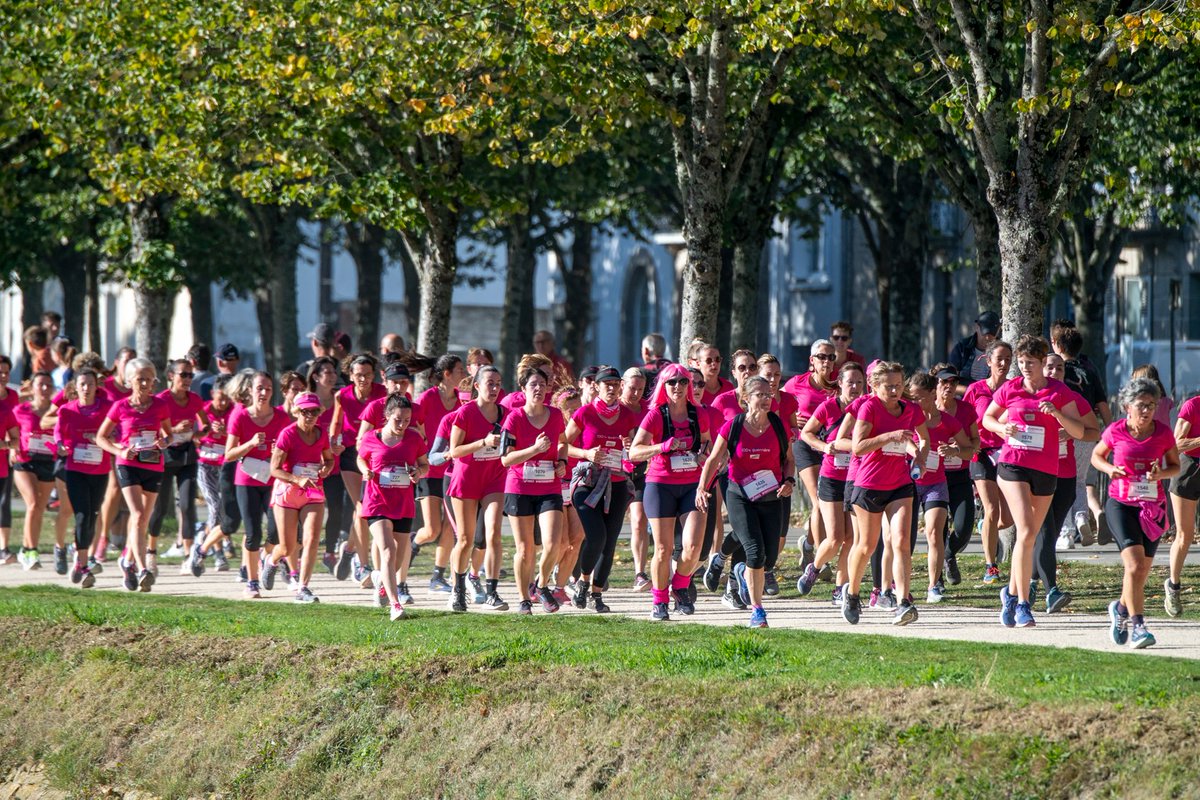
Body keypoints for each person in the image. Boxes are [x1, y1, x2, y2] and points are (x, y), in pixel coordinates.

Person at [982, 335, 1086, 629]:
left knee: (1028, 537)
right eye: (1022, 362)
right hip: (1013, 465)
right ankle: (1024, 605)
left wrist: (1057, 414)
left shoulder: (1059, 391)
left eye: (1031, 363)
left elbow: (1079, 431)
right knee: (1027, 530)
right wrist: (1003, 428)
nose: (1025, 367)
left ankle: (1011, 594)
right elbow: (988, 419)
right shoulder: (1010, 389)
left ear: (1043, 362)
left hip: (1045, 469)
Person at [697, 375, 795, 628]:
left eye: (768, 394)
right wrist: (701, 489)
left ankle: (735, 567)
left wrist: (789, 480)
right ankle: (758, 610)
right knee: (754, 551)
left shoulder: (778, 425)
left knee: (769, 559)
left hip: (771, 495)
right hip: (739, 493)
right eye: (759, 394)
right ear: (746, 399)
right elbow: (712, 460)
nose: (765, 399)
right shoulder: (733, 426)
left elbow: (789, 459)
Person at [1092, 377, 1179, 649]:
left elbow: (1175, 466)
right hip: (1121, 504)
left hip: (1152, 506)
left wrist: (1160, 474)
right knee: (1134, 565)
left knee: (1140, 572)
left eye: (1151, 405)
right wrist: (1110, 470)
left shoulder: (1163, 433)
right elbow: (1097, 456)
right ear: (1127, 406)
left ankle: (1119, 609)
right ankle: (1139, 626)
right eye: (1141, 405)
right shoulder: (1116, 431)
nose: (1146, 411)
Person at [843, 361, 929, 626]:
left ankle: (903, 602)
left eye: (899, 385)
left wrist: (920, 457)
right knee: (867, 545)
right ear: (875, 386)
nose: (894, 391)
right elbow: (858, 447)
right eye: (889, 386)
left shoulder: (911, 409)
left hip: (900, 484)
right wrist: (890, 435)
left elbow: (922, 438)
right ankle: (852, 593)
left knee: (902, 541)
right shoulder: (869, 407)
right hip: (869, 484)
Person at [629, 362, 711, 621]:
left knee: (694, 547)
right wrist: (661, 447)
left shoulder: (699, 414)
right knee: (663, 549)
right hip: (660, 484)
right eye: (672, 382)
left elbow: (708, 446)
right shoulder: (655, 415)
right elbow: (634, 452)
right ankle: (659, 601)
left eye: (684, 381)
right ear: (663, 386)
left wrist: (703, 456)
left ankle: (680, 583)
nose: (678, 386)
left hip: (692, 485)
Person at [564, 366, 639, 613]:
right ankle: (583, 581)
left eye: (615, 384)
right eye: (606, 384)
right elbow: (561, 445)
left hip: (616, 483)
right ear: (596, 386)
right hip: (587, 483)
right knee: (596, 536)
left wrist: (630, 446)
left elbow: (634, 450)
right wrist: (585, 453)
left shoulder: (627, 415)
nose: (611, 388)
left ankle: (595, 593)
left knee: (610, 543)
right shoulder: (585, 414)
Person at [95, 358, 171, 592]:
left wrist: (164, 441)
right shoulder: (120, 406)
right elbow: (100, 437)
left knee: (142, 520)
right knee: (137, 514)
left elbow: (169, 436)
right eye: (140, 379)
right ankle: (142, 568)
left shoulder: (159, 406)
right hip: (128, 464)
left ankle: (126, 562)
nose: (146, 383)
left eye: (149, 379)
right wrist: (120, 450)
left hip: (153, 464)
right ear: (129, 381)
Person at [499, 363, 568, 614]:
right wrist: (534, 450)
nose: (538, 389)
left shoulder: (556, 415)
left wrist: (562, 461)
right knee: (525, 549)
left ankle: (539, 584)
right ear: (523, 389)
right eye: (533, 385)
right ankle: (523, 599)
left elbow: (563, 443)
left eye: (542, 384)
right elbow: (506, 459)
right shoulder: (514, 418)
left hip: (549, 485)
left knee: (554, 544)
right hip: (519, 486)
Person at [797, 361, 865, 603]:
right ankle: (814, 567)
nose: (855, 387)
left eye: (859, 382)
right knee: (835, 537)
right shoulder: (828, 407)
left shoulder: (867, 407)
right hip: (831, 477)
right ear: (840, 384)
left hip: (856, 478)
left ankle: (840, 588)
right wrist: (824, 447)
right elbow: (806, 433)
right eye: (850, 382)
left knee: (851, 538)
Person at [1038, 353, 1100, 612]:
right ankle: (1047, 588)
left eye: (1060, 367)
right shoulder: (1029, 396)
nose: (1055, 371)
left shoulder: (1075, 399)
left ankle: (1029, 583)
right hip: (1036, 473)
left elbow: (1094, 432)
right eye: (1049, 367)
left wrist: (1070, 430)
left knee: (1048, 536)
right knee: (1044, 531)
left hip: (1065, 473)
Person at [359, 393, 428, 620]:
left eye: (407, 420)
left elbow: (424, 465)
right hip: (377, 501)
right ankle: (395, 604)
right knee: (388, 549)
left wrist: (418, 472)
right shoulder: (372, 437)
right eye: (398, 419)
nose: (402, 424)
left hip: (403, 502)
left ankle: (380, 578)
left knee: (397, 556)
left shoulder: (414, 438)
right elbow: (361, 458)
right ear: (387, 415)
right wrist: (364, 470)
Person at [907, 372, 974, 603]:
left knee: (935, 533)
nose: (913, 402)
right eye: (911, 397)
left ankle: (933, 586)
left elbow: (969, 449)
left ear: (930, 393)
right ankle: (898, 583)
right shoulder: (906, 417)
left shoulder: (948, 421)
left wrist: (955, 451)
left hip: (936, 483)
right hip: (907, 483)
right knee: (906, 537)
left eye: (917, 398)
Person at [446, 365, 509, 611]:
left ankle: (492, 591)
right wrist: (482, 442)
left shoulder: (505, 413)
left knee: (493, 533)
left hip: (494, 478)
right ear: (477, 386)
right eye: (489, 383)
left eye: (498, 383)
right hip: (466, 479)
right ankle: (458, 589)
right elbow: (454, 451)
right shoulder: (466, 413)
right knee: (465, 539)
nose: (494, 388)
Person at [225, 371, 289, 598]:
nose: (263, 393)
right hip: (247, 481)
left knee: (275, 533)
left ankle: (266, 557)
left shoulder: (281, 417)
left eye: (268, 389)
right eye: (259, 388)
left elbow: (290, 449)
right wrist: (250, 444)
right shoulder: (240, 417)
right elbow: (229, 454)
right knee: (252, 533)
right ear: (250, 391)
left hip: (273, 481)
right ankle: (252, 582)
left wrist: (279, 453)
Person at [266, 392, 334, 604]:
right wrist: (296, 479)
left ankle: (302, 587)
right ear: (297, 412)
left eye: (314, 411)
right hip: (287, 493)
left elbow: (329, 459)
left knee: (311, 538)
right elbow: (274, 469)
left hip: (313, 491)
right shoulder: (288, 434)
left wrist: (325, 469)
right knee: (287, 547)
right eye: (305, 411)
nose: (310, 416)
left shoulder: (321, 433)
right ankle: (271, 559)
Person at [330, 353, 387, 587]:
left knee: (365, 509)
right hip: (350, 453)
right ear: (350, 375)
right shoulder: (342, 395)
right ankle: (363, 566)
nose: (363, 379)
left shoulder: (382, 393)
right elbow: (336, 421)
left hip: (376, 453)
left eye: (367, 374)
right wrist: (333, 441)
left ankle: (350, 547)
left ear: (374, 374)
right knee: (361, 507)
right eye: (358, 375)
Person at [147, 359, 208, 577]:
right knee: (160, 508)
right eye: (183, 375)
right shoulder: (161, 400)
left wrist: (200, 434)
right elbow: (152, 428)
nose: (188, 380)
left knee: (186, 504)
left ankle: (188, 555)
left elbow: (205, 424)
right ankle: (150, 552)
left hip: (187, 456)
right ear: (171, 376)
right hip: (165, 455)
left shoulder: (194, 399)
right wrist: (173, 429)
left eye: (191, 375)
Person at [782, 340, 838, 572]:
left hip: (830, 446)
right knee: (818, 501)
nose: (826, 361)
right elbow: (779, 403)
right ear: (811, 360)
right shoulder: (797, 383)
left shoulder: (838, 385)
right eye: (822, 356)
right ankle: (818, 557)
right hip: (804, 444)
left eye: (831, 357)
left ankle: (809, 543)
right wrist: (793, 416)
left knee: (826, 503)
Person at [53, 369, 112, 587]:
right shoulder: (67, 410)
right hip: (75, 469)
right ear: (75, 387)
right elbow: (58, 434)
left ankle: (80, 560)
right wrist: (60, 446)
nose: (86, 388)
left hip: (100, 469)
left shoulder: (106, 408)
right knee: (81, 514)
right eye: (82, 384)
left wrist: (103, 439)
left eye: (90, 384)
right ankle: (83, 562)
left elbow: (115, 430)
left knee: (93, 515)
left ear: (97, 386)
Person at [413, 354, 466, 594]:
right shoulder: (428, 398)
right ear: (447, 374)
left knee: (449, 529)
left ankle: (438, 575)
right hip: (428, 469)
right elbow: (415, 425)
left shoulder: (461, 402)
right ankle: (411, 545)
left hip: (452, 473)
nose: (464, 375)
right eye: (459, 370)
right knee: (432, 530)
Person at [963, 340, 1013, 582]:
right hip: (981, 454)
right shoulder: (976, 390)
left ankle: (986, 527)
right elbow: (964, 420)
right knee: (992, 508)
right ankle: (990, 566)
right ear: (988, 360)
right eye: (999, 359)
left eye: (1008, 359)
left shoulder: (1014, 389)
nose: (1003, 364)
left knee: (1009, 517)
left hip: (1008, 454)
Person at [931, 364, 981, 587]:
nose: (949, 387)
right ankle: (937, 580)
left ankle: (948, 555)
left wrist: (957, 449)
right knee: (937, 530)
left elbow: (975, 443)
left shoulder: (966, 410)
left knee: (963, 527)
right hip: (935, 478)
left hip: (960, 474)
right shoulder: (927, 410)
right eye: (944, 383)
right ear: (935, 385)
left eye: (952, 382)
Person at [12, 373, 58, 570]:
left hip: (48, 461)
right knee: (32, 502)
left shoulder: (58, 412)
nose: (45, 389)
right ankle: (31, 551)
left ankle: (26, 548)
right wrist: (12, 446)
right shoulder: (20, 410)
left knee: (39, 507)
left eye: (49, 385)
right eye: (41, 385)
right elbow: (9, 429)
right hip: (25, 461)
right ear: (33, 387)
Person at [193, 374, 233, 572]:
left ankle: (205, 538)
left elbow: (240, 439)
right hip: (206, 465)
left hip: (225, 466)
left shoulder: (234, 412)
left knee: (224, 509)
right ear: (212, 394)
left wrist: (227, 432)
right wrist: (206, 432)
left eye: (227, 398)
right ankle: (214, 551)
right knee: (215, 506)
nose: (223, 402)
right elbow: (193, 437)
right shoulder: (204, 411)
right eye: (220, 398)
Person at [619, 367, 652, 590]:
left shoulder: (649, 410)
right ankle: (586, 571)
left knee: (639, 520)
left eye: (641, 389)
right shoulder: (613, 408)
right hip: (614, 471)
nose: (636, 393)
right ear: (622, 384)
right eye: (632, 388)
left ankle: (639, 572)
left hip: (641, 471)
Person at [948, 311, 1000, 386]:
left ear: (998, 329)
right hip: (964, 395)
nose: (988, 337)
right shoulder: (962, 348)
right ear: (976, 327)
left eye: (992, 334)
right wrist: (972, 392)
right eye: (984, 333)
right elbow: (949, 381)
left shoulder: (1003, 351)